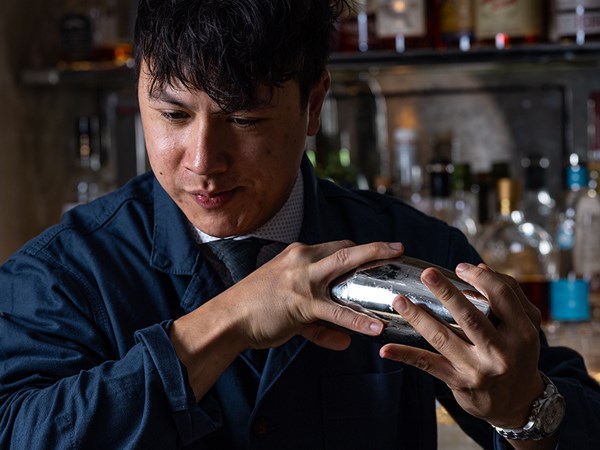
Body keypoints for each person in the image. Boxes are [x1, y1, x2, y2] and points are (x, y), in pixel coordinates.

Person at [1, 0, 599, 448]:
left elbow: (571, 411)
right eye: (173, 114)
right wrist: (231, 318)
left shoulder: (418, 249)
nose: (203, 160)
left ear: (313, 104)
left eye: (245, 119)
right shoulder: (64, 273)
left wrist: (525, 412)